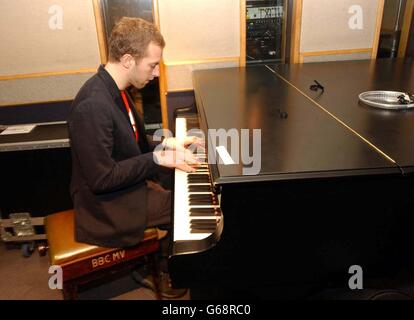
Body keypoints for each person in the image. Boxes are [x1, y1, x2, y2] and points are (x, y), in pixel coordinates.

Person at [67, 17, 200, 298]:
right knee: (184, 206)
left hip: (123, 186)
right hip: (105, 206)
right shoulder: (93, 105)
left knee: (181, 181)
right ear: (128, 59)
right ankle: (168, 268)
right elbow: (102, 178)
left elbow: (130, 144)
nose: (154, 73)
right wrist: (157, 159)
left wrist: (165, 143)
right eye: (152, 65)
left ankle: (166, 257)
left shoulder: (116, 91)